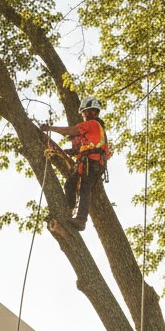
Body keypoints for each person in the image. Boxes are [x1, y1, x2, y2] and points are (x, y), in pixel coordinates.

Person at [41, 95, 110, 231]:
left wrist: (50, 128)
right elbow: (79, 143)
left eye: (85, 112)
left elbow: (70, 131)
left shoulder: (92, 124)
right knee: (70, 183)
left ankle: (81, 220)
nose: (84, 115)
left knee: (85, 187)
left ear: (92, 112)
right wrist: (72, 151)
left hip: (93, 162)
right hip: (90, 162)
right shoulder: (93, 131)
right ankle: (69, 210)